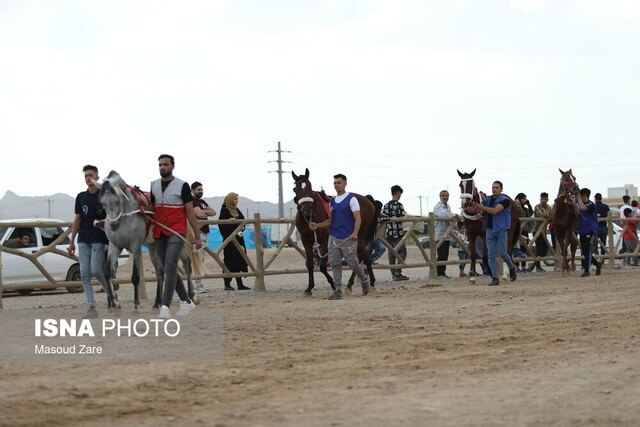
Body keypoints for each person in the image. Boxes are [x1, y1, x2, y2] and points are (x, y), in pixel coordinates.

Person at [151, 154, 202, 319]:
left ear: (172, 166)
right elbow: (151, 208)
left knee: (170, 265)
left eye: (165, 164)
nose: (162, 167)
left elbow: (190, 212)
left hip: (177, 231)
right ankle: (186, 302)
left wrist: (197, 236)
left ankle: (165, 306)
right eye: (160, 165)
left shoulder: (183, 186)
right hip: (159, 232)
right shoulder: (153, 186)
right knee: (168, 268)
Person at [309, 174, 369, 300]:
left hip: (348, 237)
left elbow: (358, 218)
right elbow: (331, 220)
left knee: (352, 262)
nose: (336, 185)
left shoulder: (352, 200)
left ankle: (363, 278)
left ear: (345, 183)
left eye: (339, 182)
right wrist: (318, 225)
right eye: (335, 183)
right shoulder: (332, 202)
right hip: (334, 236)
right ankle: (337, 290)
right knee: (335, 263)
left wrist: (355, 233)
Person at [68, 165, 111, 319]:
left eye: (90, 175)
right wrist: (72, 241)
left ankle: (110, 294)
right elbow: (77, 219)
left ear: (97, 177)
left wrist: (104, 223)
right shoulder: (81, 197)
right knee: (85, 274)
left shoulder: (105, 196)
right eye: (86, 175)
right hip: (83, 238)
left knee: (97, 271)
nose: (88, 178)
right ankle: (91, 307)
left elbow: (113, 216)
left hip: (99, 237)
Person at [472, 181, 517, 286]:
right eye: (493, 187)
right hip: (490, 230)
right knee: (491, 255)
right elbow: (476, 209)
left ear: (501, 189)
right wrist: (469, 207)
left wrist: (481, 207)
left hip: (501, 230)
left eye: (496, 187)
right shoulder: (487, 200)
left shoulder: (505, 201)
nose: (494, 189)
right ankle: (495, 278)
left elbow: (495, 211)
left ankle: (511, 267)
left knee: (502, 253)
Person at [218, 192, 251, 291]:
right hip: (229, 240)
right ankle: (227, 284)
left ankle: (240, 284)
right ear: (230, 200)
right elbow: (222, 225)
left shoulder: (236, 210)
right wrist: (234, 227)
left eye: (237, 199)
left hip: (239, 239)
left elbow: (242, 221)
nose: (237, 201)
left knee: (240, 259)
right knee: (229, 260)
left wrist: (241, 227)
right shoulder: (225, 210)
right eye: (235, 199)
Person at [191, 181, 216, 293]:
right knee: (198, 258)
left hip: (204, 232)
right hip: (197, 233)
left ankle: (198, 283)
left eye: (201, 189)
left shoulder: (202, 202)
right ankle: (196, 284)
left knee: (201, 258)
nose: (200, 191)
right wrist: (205, 212)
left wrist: (203, 211)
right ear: (193, 190)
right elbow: (199, 214)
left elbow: (214, 212)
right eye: (198, 190)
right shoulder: (192, 201)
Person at [382, 185, 409, 281]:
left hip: (388, 233)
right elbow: (402, 217)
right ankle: (398, 272)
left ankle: (393, 273)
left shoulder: (386, 206)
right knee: (402, 252)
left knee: (391, 254)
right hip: (398, 232)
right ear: (398, 193)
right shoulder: (399, 205)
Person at [433, 190, 461, 279]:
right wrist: (455, 215)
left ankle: (442, 273)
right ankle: (438, 273)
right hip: (439, 235)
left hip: (446, 234)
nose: (445, 197)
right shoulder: (438, 207)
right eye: (443, 195)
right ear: (440, 196)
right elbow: (443, 214)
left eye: (446, 195)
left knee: (445, 255)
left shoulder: (447, 206)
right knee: (441, 255)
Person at [576, 188, 602, 277]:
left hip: (590, 230)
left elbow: (583, 208)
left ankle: (587, 270)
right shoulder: (581, 203)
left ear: (584, 196)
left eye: (580, 196)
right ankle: (597, 264)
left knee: (588, 251)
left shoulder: (591, 204)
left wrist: (578, 198)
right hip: (583, 230)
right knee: (585, 251)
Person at [530, 192, 553, 272]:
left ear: (547, 199)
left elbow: (551, 215)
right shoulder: (537, 206)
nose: (543, 200)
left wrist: (550, 217)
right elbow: (541, 215)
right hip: (537, 231)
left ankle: (534, 264)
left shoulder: (548, 207)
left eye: (545, 199)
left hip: (544, 231)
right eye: (542, 199)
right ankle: (538, 266)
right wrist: (549, 217)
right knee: (539, 248)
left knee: (545, 249)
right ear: (540, 199)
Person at [514, 193, 534, 272]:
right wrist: (518, 202)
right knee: (517, 247)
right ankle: (516, 266)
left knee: (524, 248)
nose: (525, 200)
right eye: (523, 199)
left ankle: (523, 266)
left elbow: (531, 212)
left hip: (525, 229)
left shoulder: (525, 208)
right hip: (518, 229)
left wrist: (528, 204)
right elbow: (519, 213)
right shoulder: (516, 206)